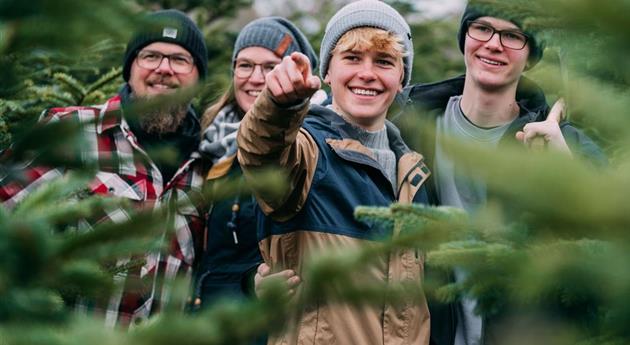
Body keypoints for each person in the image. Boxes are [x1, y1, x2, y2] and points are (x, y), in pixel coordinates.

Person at [398, 3, 606, 345]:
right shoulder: (408, 132)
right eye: (482, 28)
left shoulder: (562, 143)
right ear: (465, 37)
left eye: (512, 36)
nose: (493, 44)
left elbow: (611, 254)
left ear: (531, 56)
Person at [237, 1, 432, 344]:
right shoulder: (308, 151)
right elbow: (261, 154)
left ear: (402, 79)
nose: (367, 73)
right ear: (327, 71)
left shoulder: (413, 175)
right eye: (352, 58)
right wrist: (279, 105)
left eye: (384, 61)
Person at [0, 9, 209, 327]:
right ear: (129, 70)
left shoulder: (207, 163)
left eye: (180, 59)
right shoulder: (73, 131)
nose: (164, 69)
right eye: (150, 55)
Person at [190, 17, 318, 311]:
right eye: (245, 65)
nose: (256, 78)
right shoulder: (211, 140)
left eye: (271, 67)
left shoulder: (302, 148)